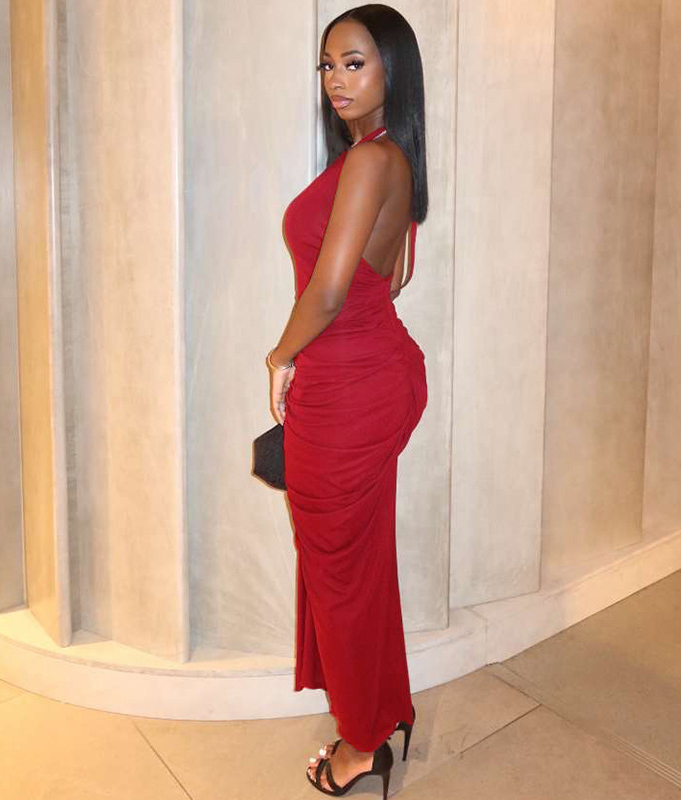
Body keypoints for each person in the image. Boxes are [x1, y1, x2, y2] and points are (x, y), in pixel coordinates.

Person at [266, 4, 428, 797]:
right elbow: (388, 279)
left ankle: (363, 745)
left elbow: (331, 291)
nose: (336, 78)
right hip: (367, 379)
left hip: (349, 391)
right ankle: (386, 708)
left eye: (354, 62)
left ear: (392, 68)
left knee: (339, 573)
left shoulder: (370, 162)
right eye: (328, 65)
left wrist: (281, 355)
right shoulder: (386, 160)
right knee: (359, 565)